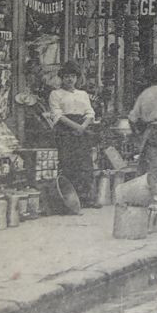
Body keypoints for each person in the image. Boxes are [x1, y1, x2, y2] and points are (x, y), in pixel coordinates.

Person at [46, 62, 96, 207]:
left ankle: (86, 198)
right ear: (62, 78)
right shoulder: (56, 94)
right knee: (68, 163)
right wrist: (75, 126)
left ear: (77, 78)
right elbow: (57, 114)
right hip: (65, 130)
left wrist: (83, 126)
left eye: (73, 76)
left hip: (81, 129)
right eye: (67, 76)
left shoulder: (83, 94)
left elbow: (90, 112)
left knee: (85, 163)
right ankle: (69, 200)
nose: (70, 79)